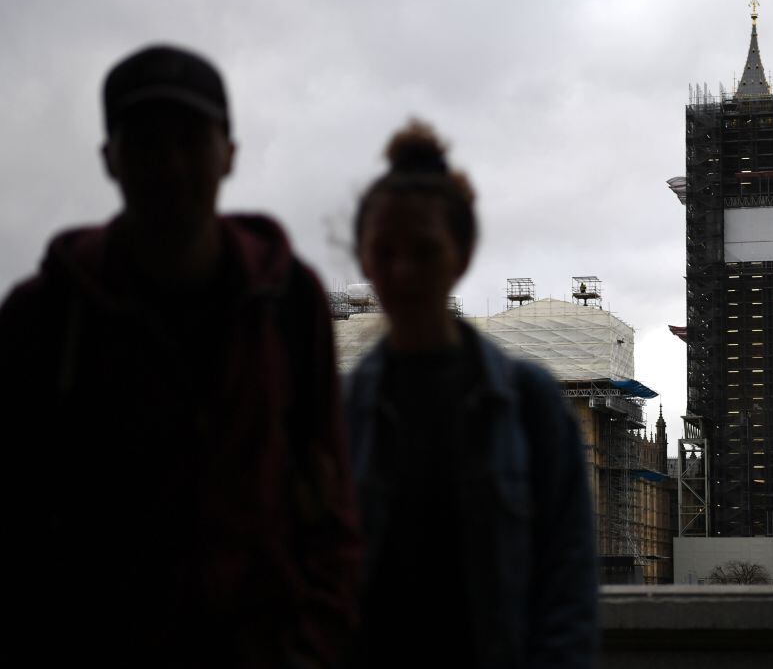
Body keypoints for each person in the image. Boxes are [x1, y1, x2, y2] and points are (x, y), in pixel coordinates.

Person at [0, 45, 361, 667]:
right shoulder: (44, 314)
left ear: (229, 154)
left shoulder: (290, 302)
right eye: (146, 142)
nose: (169, 165)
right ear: (110, 158)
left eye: (189, 139)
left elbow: (332, 511)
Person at [345, 122, 598, 668]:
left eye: (424, 250)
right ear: (363, 261)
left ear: (461, 256)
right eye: (385, 252)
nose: (403, 271)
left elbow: (568, 588)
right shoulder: (336, 413)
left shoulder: (533, 406)